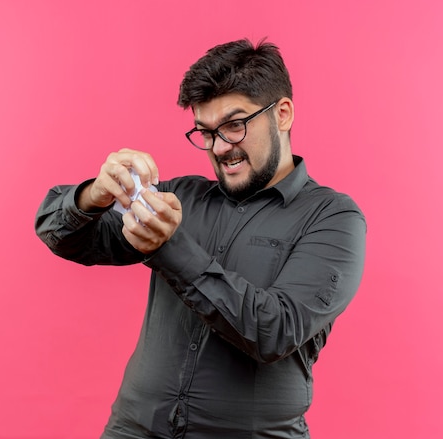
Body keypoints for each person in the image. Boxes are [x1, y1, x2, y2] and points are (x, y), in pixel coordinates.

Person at [35, 39, 366, 439]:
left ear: (282, 114)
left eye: (234, 124)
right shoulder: (181, 198)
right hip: (133, 429)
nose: (220, 147)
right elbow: (62, 235)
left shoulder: (333, 218)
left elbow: (274, 331)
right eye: (206, 131)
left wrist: (170, 248)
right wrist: (95, 194)